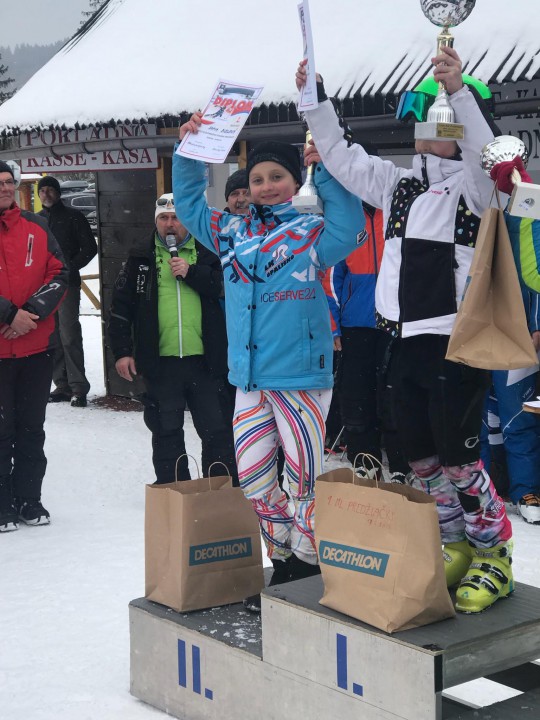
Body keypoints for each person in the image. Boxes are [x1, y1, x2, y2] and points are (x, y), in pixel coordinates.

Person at [296, 46, 514, 614]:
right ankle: (453, 542)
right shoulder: (396, 185)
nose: (428, 132)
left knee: (460, 459)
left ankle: (494, 552)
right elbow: (342, 157)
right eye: (424, 122)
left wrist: (458, 92)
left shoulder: (476, 189)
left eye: (441, 124)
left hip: (454, 344)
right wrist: (315, 102)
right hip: (399, 341)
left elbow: (485, 156)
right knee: (420, 458)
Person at [173, 123, 365, 611]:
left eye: (277, 176)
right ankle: (284, 557)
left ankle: (304, 566)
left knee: (303, 483)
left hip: (300, 379)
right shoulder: (232, 232)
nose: (265, 186)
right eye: (257, 179)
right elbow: (190, 206)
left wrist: (325, 172)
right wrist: (190, 151)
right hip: (249, 381)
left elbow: (350, 229)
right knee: (257, 481)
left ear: (295, 180)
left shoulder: (311, 231)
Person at [108, 193, 237, 485]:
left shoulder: (208, 251)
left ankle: (219, 493)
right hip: (161, 363)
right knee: (166, 431)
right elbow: (120, 308)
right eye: (163, 218)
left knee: (217, 431)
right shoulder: (140, 257)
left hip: (206, 362)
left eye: (176, 218)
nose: (170, 224)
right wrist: (122, 351)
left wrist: (191, 273)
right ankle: (175, 492)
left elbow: (225, 288)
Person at [0, 160, 68, 532]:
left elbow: (60, 273)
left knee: (31, 429)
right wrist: (8, 314)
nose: (5, 188)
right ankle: (1, 504)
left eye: (8, 182)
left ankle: (29, 498)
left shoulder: (36, 225)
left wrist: (30, 313)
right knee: (1, 431)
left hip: (35, 348)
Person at [323, 196, 409, 481]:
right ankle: (365, 461)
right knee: (357, 396)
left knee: (396, 395)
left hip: (396, 323)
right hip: (355, 326)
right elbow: (330, 279)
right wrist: (334, 326)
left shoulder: (400, 211)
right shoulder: (345, 218)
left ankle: (401, 466)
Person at [38, 176, 97, 408]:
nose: (46, 194)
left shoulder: (74, 217)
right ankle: (61, 384)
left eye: (50, 190)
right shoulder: (37, 220)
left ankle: (78, 387)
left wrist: (70, 267)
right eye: (42, 190)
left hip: (67, 284)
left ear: (58, 193)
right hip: (42, 287)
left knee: (69, 334)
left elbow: (90, 248)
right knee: (51, 335)